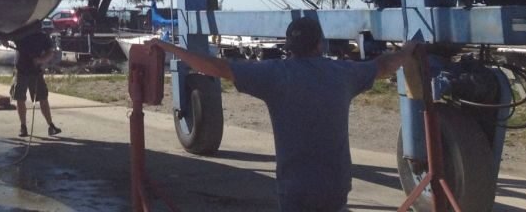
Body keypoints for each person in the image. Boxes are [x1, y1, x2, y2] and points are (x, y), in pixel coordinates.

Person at [149, 19, 419, 212]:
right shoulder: (344, 74)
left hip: (295, 189)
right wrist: (409, 49)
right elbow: (384, 65)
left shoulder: (274, 75)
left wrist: (171, 49)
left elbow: (218, 68)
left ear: (289, 46)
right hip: (334, 186)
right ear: (319, 44)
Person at [11, 27, 61, 138]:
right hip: (21, 70)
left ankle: (50, 125)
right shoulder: (20, 34)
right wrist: (2, 41)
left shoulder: (42, 36)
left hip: (35, 71)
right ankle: (23, 126)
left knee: (43, 98)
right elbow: (6, 36)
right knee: (20, 98)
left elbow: (50, 52)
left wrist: (40, 60)